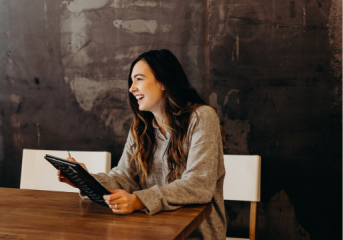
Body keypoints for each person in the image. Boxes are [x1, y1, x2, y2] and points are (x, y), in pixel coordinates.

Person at [58, 49, 227, 239]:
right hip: (150, 229)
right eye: (131, 81)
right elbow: (124, 178)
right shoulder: (141, 128)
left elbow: (199, 186)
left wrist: (138, 200)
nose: (131, 88)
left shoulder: (201, 117)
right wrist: (85, 180)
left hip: (195, 234)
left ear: (163, 82)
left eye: (139, 79)